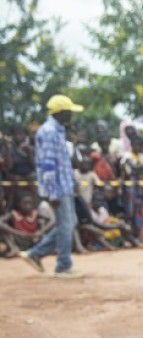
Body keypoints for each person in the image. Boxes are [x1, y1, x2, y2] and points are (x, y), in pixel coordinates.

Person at [19, 95, 84, 278]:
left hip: (64, 185)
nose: (71, 114)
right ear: (61, 112)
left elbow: (63, 162)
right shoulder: (48, 132)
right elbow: (47, 165)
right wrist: (51, 193)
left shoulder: (58, 131)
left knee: (69, 224)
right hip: (57, 188)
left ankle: (35, 254)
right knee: (66, 225)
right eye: (69, 111)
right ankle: (63, 265)